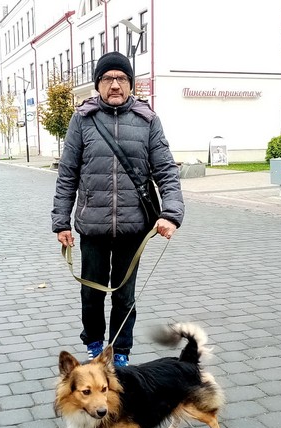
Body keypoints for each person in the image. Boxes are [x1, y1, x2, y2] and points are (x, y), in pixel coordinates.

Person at [51, 52, 185, 367]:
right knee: (91, 294)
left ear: (130, 84)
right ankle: (95, 347)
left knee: (124, 295)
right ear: (98, 84)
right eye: (108, 78)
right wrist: (61, 222)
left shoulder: (147, 120)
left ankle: (121, 352)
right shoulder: (82, 120)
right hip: (93, 226)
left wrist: (171, 213)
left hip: (133, 226)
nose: (115, 84)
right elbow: (67, 175)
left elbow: (166, 171)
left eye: (121, 78)